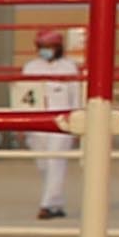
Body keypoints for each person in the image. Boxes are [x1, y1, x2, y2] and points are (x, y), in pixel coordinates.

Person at [18, 28, 82, 221]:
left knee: (56, 162)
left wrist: (78, 123)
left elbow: (76, 96)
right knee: (44, 164)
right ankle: (56, 203)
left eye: (50, 46)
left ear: (58, 47)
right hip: (36, 123)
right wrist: (21, 124)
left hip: (62, 122)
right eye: (42, 47)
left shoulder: (69, 67)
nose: (46, 50)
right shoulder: (30, 68)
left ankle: (47, 205)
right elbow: (23, 96)